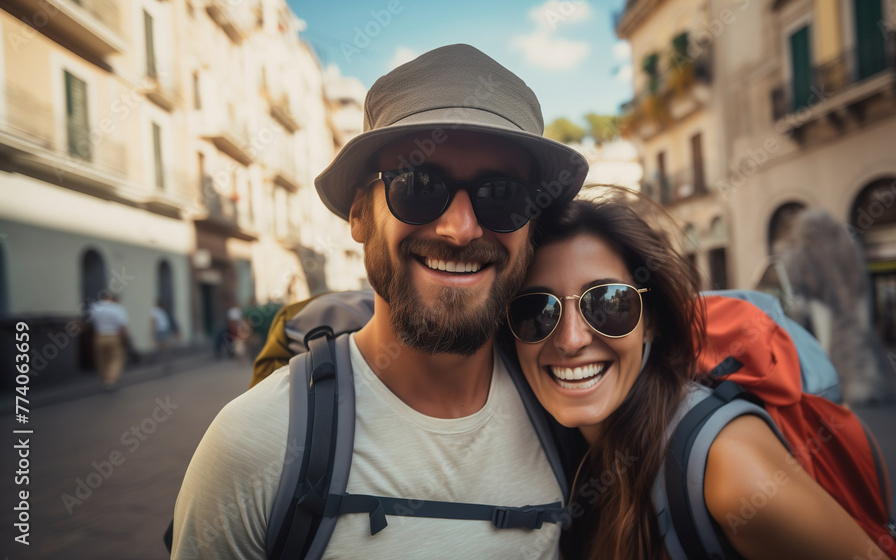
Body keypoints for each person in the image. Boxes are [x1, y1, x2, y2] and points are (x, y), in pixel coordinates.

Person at [170, 44, 587, 558]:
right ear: (359, 216)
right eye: (418, 185)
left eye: (502, 195)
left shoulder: (570, 418)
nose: (459, 229)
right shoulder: (255, 444)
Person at [505, 189, 893, 560]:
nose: (571, 340)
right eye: (537, 311)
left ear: (651, 322)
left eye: (608, 303)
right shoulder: (563, 451)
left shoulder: (728, 469)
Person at [89, 292, 130, 390]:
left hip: (99, 336)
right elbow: (122, 325)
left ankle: (104, 378)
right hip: (113, 336)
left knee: (101, 359)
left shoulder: (95, 307)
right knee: (116, 358)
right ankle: (110, 380)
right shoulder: (117, 308)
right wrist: (126, 337)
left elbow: (89, 322)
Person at [150, 299, 177, 374]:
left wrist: (152, 332)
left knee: (162, 347)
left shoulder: (158, 311)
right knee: (164, 347)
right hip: (162, 331)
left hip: (162, 331)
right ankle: (164, 361)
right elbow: (155, 322)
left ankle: (163, 361)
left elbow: (155, 322)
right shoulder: (159, 311)